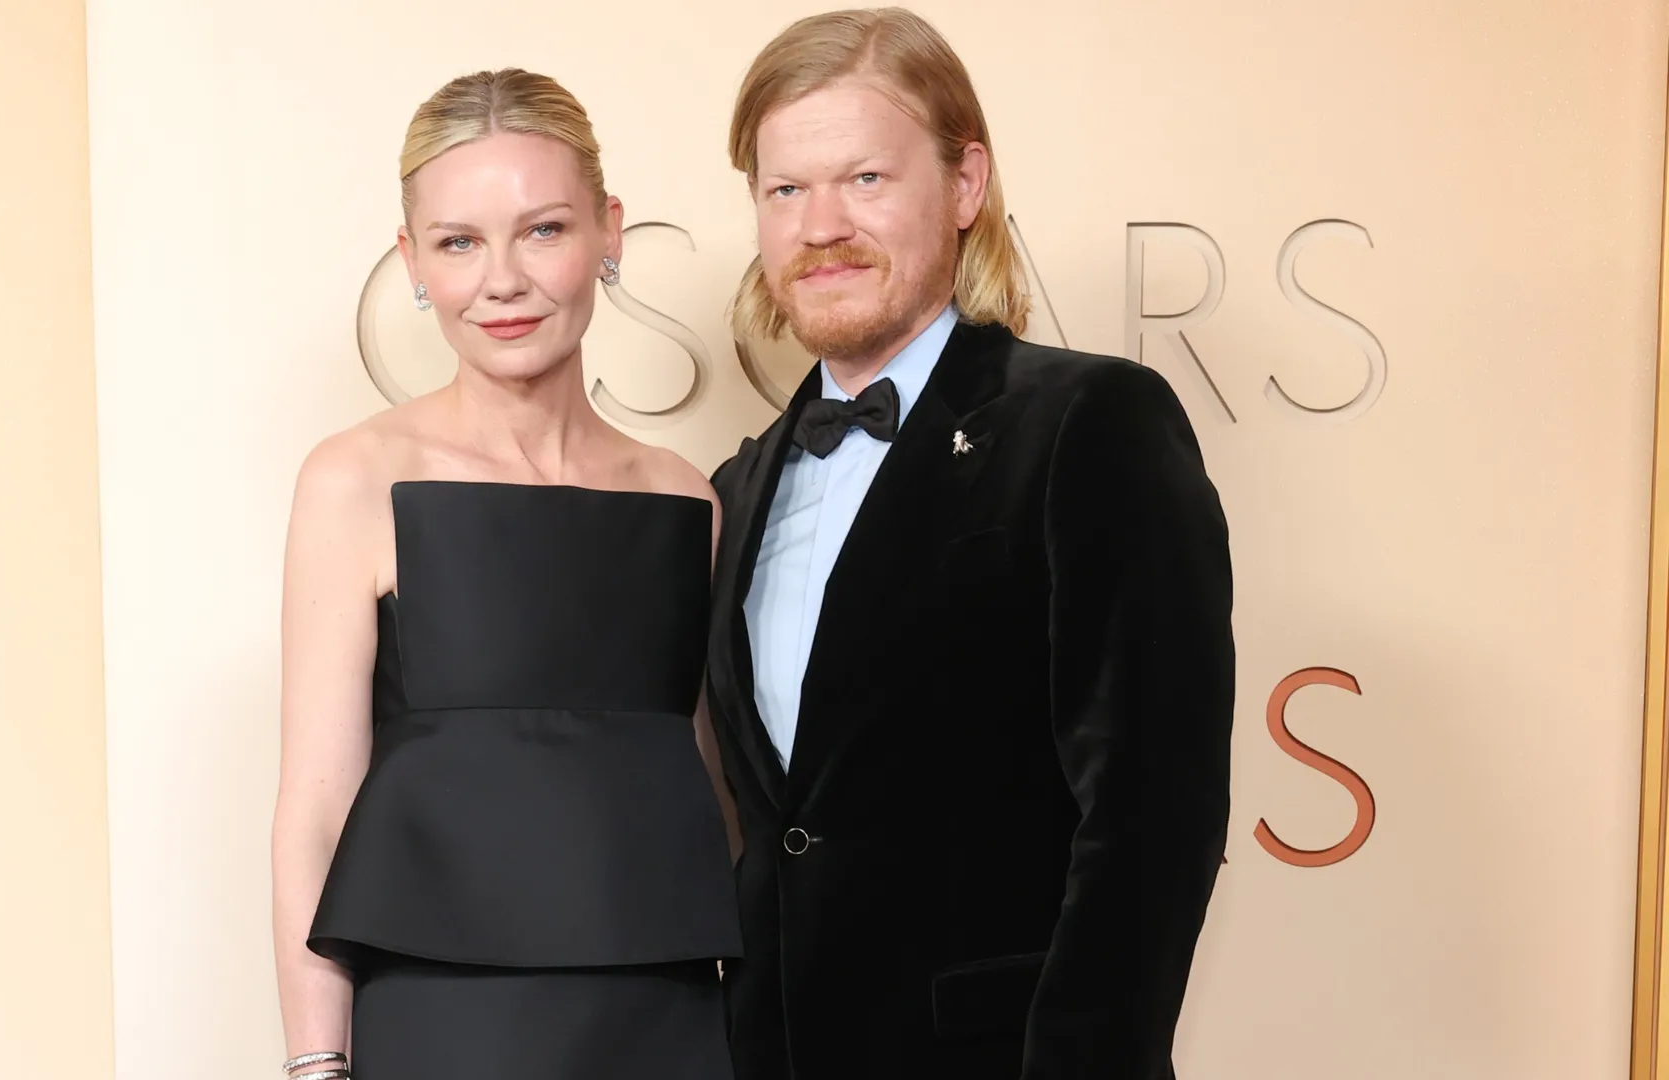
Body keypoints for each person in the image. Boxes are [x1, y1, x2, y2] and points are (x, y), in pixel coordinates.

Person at [704, 9, 1235, 1079]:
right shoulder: (740, 484)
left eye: (865, 179)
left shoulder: (1091, 423)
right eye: (785, 191)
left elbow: (1148, 818)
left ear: (964, 185)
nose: (821, 226)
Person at [269, 68, 742, 1080]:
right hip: (440, 1019)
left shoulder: (688, 502)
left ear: (609, 233)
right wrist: (317, 1065)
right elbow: (314, 813)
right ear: (413, 261)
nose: (503, 281)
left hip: (665, 1016)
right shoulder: (358, 481)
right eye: (458, 242)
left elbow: (722, 804)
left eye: (544, 230)